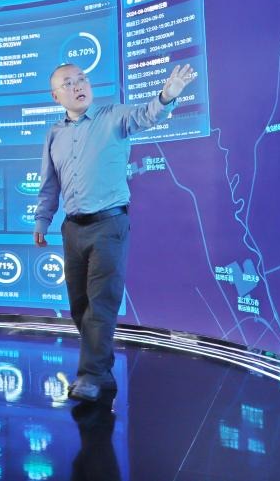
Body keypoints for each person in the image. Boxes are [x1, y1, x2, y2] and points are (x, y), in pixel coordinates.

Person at [34, 62, 197, 401]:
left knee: (101, 302)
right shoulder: (54, 134)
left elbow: (146, 115)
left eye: (82, 79)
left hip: (109, 225)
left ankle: (90, 375)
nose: (78, 86)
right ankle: (103, 372)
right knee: (80, 306)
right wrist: (42, 220)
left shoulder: (113, 117)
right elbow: (49, 184)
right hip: (72, 229)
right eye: (68, 83)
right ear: (56, 96)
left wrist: (166, 96)